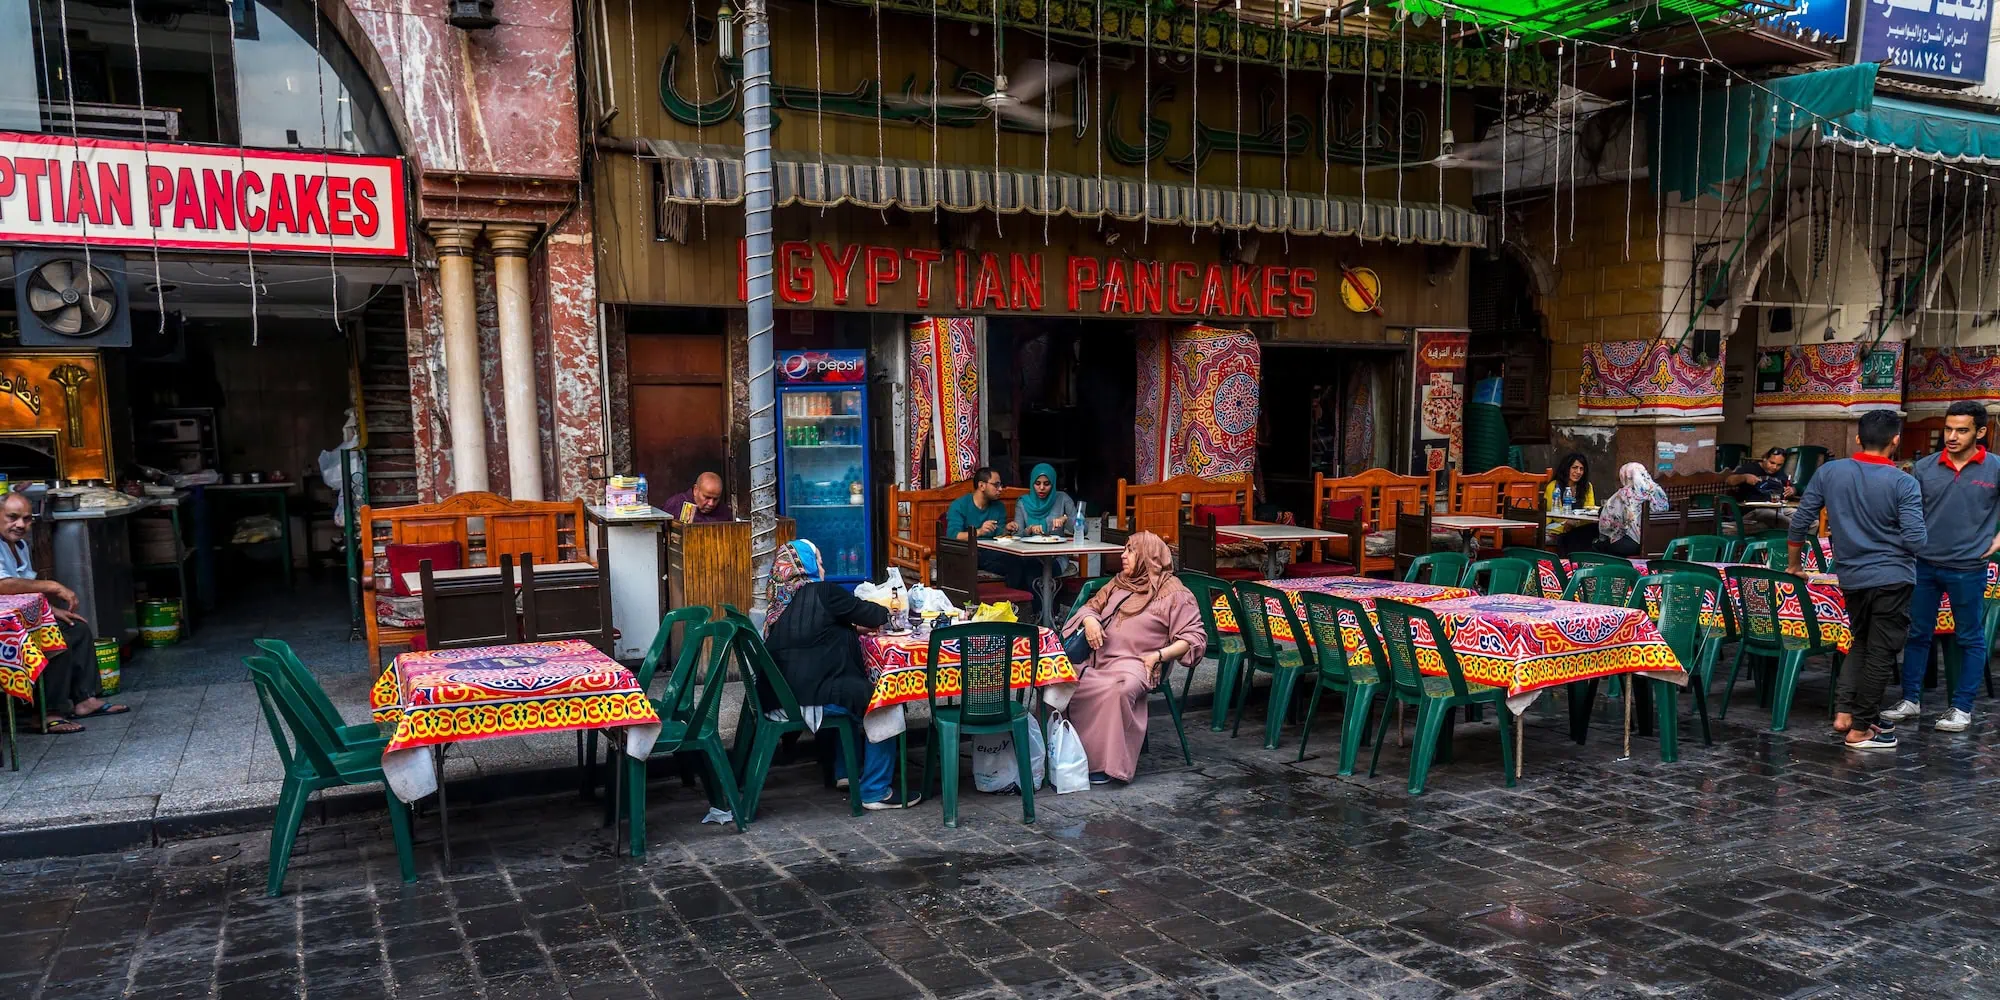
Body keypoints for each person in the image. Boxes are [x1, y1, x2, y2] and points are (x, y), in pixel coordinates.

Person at [1788, 409, 1926, 750]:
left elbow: (1799, 520)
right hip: (1892, 577)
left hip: (1851, 576)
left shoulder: (1830, 472)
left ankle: (1845, 713)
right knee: (1881, 652)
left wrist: (1794, 564)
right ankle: (1862, 728)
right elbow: (1915, 540)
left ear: (1858, 439)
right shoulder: (1904, 482)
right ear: (1896, 441)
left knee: (1860, 642)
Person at [760, 539, 920, 809]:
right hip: (805, 697)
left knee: (851, 687)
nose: (823, 567)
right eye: (819, 561)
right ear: (805, 567)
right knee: (885, 698)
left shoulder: (783, 601)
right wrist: (889, 609)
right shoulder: (821, 592)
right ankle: (876, 790)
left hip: (782, 694)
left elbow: (818, 632)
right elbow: (873, 614)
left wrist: (849, 627)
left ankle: (845, 772)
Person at [1882, 401, 2000, 733]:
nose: (1951, 436)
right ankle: (1910, 700)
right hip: (1924, 564)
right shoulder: (1925, 467)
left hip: (1968, 567)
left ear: (1980, 432)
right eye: (1948, 429)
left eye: (1961, 430)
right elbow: (1909, 512)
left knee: (1970, 638)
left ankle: (1962, 707)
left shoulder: (1995, 467)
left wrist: (1998, 539)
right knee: (1918, 634)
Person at [1063, 532, 1207, 785]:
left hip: (1137, 662)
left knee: (1118, 688)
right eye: (1125, 550)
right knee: (1058, 678)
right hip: (1097, 658)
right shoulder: (1119, 583)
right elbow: (1089, 607)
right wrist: (1090, 621)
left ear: (1148, 557)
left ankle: (1103, 763)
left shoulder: (1173, 592)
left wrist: (1159, 656)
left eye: (1130, 550)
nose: (1123, 555)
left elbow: (1194, 637)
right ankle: (1067, 755)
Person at [0, 492, 127, 734]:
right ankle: (47, 713)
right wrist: (53, 586)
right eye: (12, 517)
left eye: (27, 519)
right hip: (4, 627)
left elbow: (22, 590)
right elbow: (3, 584)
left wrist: (52, 610)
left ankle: (85, 699)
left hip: (18, 618)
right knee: (56, 641)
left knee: (76, 628)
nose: (20, 525)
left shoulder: (20, 545)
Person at [944, 467, 1035, 592]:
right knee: (1015, 564)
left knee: (1026, 562)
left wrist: (1007, 530)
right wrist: (980, 531)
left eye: (1001, 485)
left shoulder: (998, 507)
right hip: (967, 553)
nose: (1000, 489)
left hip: (992, 551)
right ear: (982, 485)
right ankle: (1013, 602)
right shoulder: (960, 505)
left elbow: (999, 534)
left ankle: (1025, 604)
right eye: (996, 485)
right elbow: (953, 536)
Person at [1594, 463, 1669, 557]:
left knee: (1599, 544)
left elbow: (1607, 521)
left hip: (1635, 545)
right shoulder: (1658, 490)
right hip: (1659, 543)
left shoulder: (1625, 493)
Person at [1728, 447, 1795, 532]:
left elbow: (1792, 487)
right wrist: (1744, 477)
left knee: (1809, 520)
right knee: (1789, 523)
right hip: (1754, 511)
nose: (1775, 467)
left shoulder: (1780, 473)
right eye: (1772, 463)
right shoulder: (1751, 468)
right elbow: (1729, 480)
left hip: (1778, 508)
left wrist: (1792, 490)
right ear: (1764, 458)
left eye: (1779, 465)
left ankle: (1808, 544)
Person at [1544, 453, 1598, 555]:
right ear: (1566, 468)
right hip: (1557, 525)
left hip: (1578, 524)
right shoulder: (1554, 486)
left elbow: (1589, 509)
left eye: (1581, 469)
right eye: (1574, 468)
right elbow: (1556, 515)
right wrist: (1572, 522)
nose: (1578, 472)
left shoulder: (1587, 486)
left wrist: (1575, 522)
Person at [661, 472, 733, 523]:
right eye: (707, 497)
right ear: (695, 490)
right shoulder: (676, 504)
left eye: (716, 499)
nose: (711, 504)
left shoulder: (724, 511)